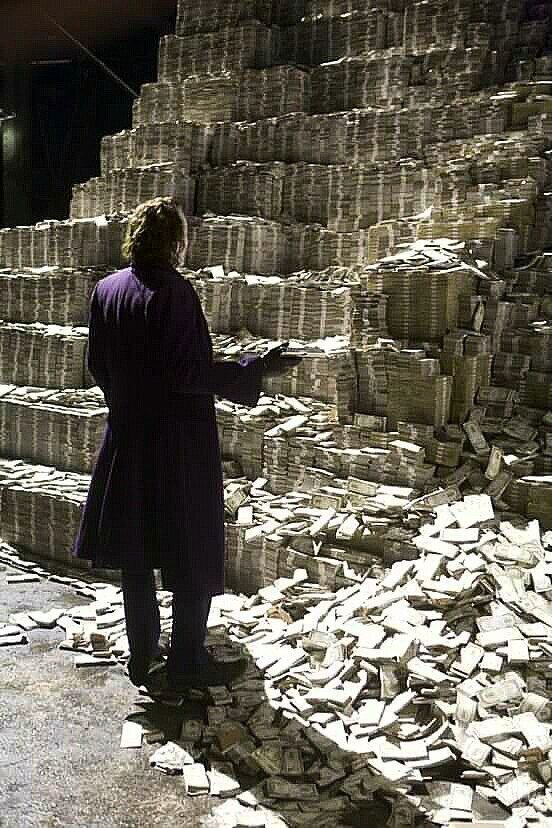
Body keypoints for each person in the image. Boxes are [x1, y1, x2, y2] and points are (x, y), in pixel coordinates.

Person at [72, 197, 300, 693]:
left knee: (137, 553)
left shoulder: (106, 290)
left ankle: (142, 655)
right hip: (177, 444)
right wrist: (254, 369)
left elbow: (97, 365)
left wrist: (127, 400)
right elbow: (188, 374)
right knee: (191, 548)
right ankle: (187, 660)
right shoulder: (175, 293)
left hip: (127, 439)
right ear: (176, 243)